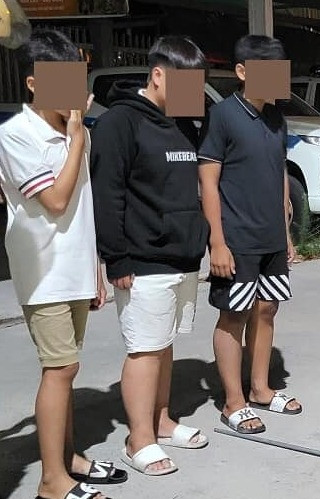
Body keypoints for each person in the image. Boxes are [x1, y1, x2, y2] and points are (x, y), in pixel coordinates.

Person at [0, 29, 120, 499]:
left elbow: (83, 206)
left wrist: (94, 267)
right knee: (60, 369)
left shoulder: (79, 135)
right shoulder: (16, 135)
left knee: (67, 369)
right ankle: (52, 483)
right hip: (44, 271)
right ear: (33, 84)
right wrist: (74, 137)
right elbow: (55, 199)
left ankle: (69, 458)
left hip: (74, 268)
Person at [89, 35, 211, 476]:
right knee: (143, 349)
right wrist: (115, 258)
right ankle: (137, 439)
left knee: (165, 344)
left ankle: (161, 421)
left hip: (182, 256)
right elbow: (108, 193)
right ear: (158, 75)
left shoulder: (183, 121)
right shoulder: (120, 123)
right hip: (141, 259)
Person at [198, 34, 301, 435]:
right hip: (235, 238)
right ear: (242, 72)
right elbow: (208, 183)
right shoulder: (223, 115)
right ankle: (233, 402)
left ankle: (260, 388)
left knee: (267, 308)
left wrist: (286, 232)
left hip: (271, 237)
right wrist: (217, 242)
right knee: (234, 313)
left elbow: (279, 175)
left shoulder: (277, 117)